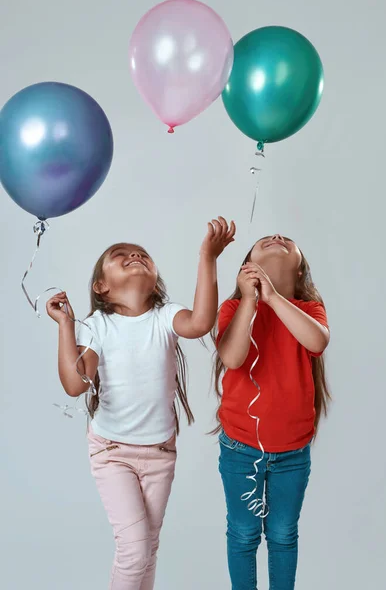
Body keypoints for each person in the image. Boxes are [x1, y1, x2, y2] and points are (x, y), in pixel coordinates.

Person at [47, 216, 235, 590]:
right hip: (112, 452)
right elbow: (74, 385)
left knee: (147, 549)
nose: (135, 255)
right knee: (134, 552)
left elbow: (200, 323)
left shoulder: (166, 317)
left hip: (161, 454)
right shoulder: (96, 326)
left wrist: (208, 258)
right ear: (102, 287)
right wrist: (66, 325)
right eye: (121, 255)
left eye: (142, 254)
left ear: (155, 280)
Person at [213, 233, 330, 590]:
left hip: (293, 452)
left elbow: (317, 341)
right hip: (240, 448)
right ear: (247, 267)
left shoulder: (309, 310)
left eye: (287, 242)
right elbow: (232, 358)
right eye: (265, 240)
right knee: (244, 533)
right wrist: (250, 301)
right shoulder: (233, 310)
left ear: (299, 272)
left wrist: (274, 299)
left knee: (282, 534)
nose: (277, 238)